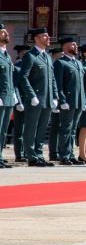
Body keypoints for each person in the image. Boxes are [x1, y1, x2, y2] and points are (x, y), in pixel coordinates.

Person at [19, 28, 58, 167]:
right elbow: (23, 77)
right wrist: (32, 95)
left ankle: (39, 154)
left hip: (47, 99)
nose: (48, 38)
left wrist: (55, 96)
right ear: (36, 38)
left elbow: (52, 78)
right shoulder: (30, 56)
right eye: (45, 36)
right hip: (35, 99)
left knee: (42, 129)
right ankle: (32, 157)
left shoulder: (47, 56)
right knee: (31, 128)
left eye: (48, 35)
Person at [53, 37, 86, 166]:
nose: (76, 46)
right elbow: (58, 84)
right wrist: (62, 100)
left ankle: (71, 154)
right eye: (73, 44)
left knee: (73, 130)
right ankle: (64, 155)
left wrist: (83, 100)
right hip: (68, 101)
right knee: (66, 129)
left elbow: (81, 85)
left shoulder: (78, 63)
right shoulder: (60, 63)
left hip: (78, 101)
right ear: (65, 46)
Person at [0, 23, 17, 168]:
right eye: (3, 32)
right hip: (0, 97)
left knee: (4, 130)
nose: (7, 34)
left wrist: (14, 94)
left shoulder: (6, 54)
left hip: (8, 97)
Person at [12, 44, 31, 162]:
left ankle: (27, 152)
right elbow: (15, 87)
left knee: (29, 129)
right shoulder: (16, 68)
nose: (26, 56)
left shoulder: (31, 66)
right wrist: (18, 101)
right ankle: (19, 154)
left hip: (31, 102)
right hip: (21, 102)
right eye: (24, 54)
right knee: (19, 129)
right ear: (19, 54)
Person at [47, 47, 63, 161]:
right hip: (56, 100)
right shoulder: (55, 66)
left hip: (63, 100)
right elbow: (55, 85)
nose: (62, 57)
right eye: (60, 55)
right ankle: (54, 152)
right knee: (55, 128)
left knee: (62, 127)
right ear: (54, 55)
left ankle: (60, 150)